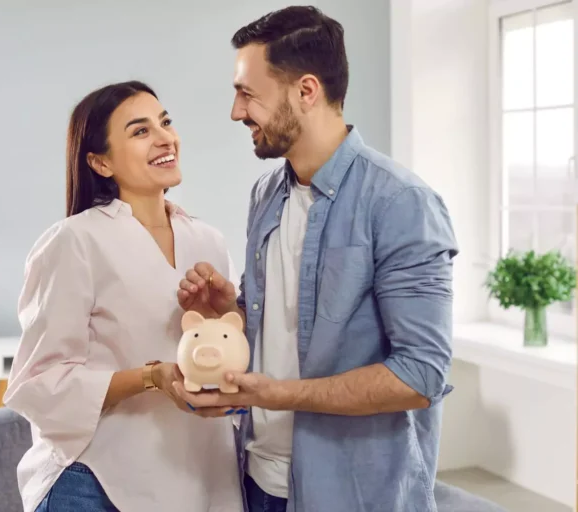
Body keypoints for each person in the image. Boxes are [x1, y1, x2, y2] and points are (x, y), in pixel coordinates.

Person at [175, 6, 459, 512]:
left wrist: (279, 394)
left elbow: (420, 376)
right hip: (258, 479)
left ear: (306, 91)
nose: (236, 112)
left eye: (247, 94)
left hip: (355, 494)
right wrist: (230, 311)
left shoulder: (401, 203)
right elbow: (283, 326)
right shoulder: (266, 194)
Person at [3, 80, 243, 512]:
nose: (165, 137)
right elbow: (38, 384)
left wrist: (225, 315)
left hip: (201, 479)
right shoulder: (74, 241)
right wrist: (152, 378)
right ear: (101, 162)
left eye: (165, 122)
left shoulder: (208, 241)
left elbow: (230, 359)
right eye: (140, 131)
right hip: (96, 484)